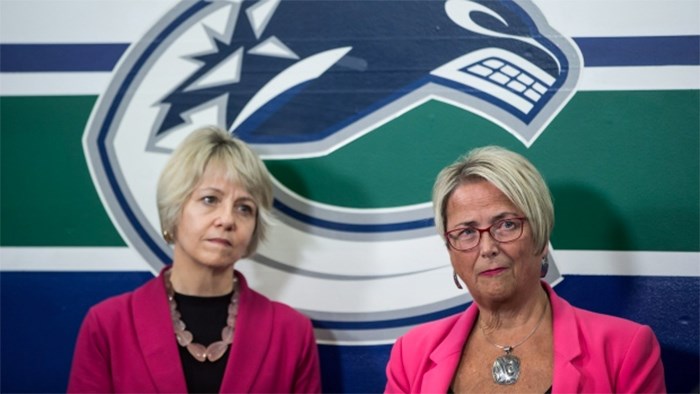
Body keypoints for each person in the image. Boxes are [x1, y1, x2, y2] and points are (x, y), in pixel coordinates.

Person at [384, 146, 665, 393]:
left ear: (541, 237)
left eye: (506, 225)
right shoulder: (411, 354)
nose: (487, 247)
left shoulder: (624, 348)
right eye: (467, 231)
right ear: (450, 250)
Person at [68, 126, 322, 393]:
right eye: (210, 199)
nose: (226, 219)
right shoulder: (108, 326)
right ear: (174, 211)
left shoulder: (291, 333)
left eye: (244, 208)